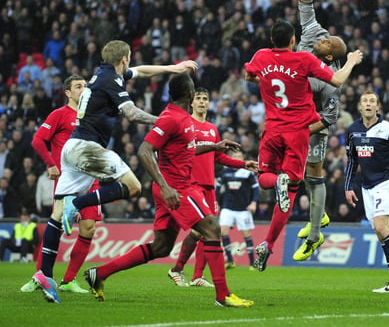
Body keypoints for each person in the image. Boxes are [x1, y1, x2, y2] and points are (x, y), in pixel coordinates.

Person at [31, 40, 198, 304]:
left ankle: (45, 274)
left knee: (58, 213)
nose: (131, 63)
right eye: (129, 59)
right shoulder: (112, 81)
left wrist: (172, 68)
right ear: (123, 59)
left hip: (72, 147)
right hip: (87, 147)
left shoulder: (103, 74)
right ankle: (80, 203)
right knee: (133, 186)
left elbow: (141, 71)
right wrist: (166, 122)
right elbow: (130, 113)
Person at [84, 73, 253, 307]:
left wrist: (214, 146)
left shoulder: (182, 119)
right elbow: (145, 150)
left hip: (173, 188)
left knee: (161, 247)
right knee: (212, 227)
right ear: (190, 94)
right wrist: (165, 187)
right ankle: (223, 295)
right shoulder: (171, 118)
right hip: (177, 188)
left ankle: (99, 273)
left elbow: (187, 149)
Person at [244, 20, 362, 271]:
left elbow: (248, 75)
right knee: (293, 189)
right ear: (292, 41)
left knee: (264, 175)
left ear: (272, 38)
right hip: (297, 134)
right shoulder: (303, 61)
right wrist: (351, 60)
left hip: (272, 130)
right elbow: (338, 80)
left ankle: (277, 185)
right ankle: (268, 242)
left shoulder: (261, 55)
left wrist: (268, 80)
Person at [167, 87, 258, 286]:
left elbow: (219, 156)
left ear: (209, 103)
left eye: (205, 99)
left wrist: (244, 164)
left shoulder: (212, 128)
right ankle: (177, 269)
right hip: (191, 183)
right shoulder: (185, 124)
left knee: (209, 232)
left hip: (209, 185)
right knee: (203, 230)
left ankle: (197, 276)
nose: (201, 102)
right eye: (198, 98)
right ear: (191, 103)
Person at [20, 75, 99, 294]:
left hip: (91, 180)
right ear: (67, 92)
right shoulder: (59, 114)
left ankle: (69, 281)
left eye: (85, 86)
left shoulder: (91, 116)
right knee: (57, 226)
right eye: (78, 86)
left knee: (89, 228)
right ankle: (41, 276)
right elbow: (37, 140)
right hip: (68, 181)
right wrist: (51, 164)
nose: (83, 89)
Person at [292, 0, 346, 261]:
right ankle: (320, 214)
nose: (323, 36)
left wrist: (306, 128)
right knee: (297, 173)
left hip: (313, 128)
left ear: (328, 55)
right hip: (294, 119)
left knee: (313, 174)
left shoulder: (328, 79)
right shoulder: (313, 35)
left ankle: (314, 235)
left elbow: (330, 116)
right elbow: (305, 4)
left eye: (327, 40)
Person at [344, 91, 389, 293]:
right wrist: (348, 186)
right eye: (365, 101)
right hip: (366, 187)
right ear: (359, 106)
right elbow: (352, 160)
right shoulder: (353, 130)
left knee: (380, 227)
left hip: (387, 182)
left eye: (372, 101)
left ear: (377, 107)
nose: (368, 104)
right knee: (381, 233)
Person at [216, 150, 260, 269]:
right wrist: (216, 202)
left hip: (243, 208)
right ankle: (230, 261)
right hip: (227, 207)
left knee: (247, 235)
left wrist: (253, 203)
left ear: (243, 158)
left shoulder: (247, 172)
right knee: (223, 231)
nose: (237, 158)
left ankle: (252, 263)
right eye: (235, 156)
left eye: (239, 156)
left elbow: (256, 188)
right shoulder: (225, 172)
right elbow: (218, 188)